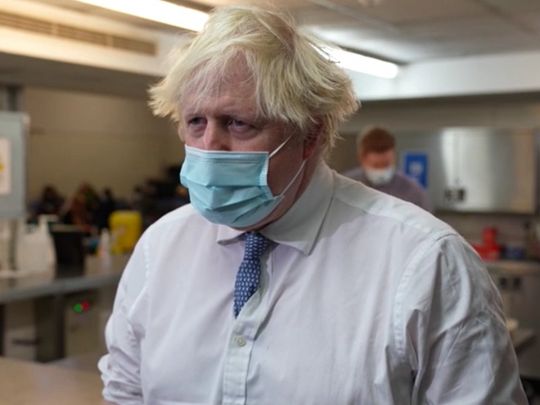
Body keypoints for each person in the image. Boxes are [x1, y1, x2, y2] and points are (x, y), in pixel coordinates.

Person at [98, 5, 526, 404]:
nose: (210, 147)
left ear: (310, 134)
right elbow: (126, 391)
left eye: (238, 123)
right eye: (195, 122)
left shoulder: (426, 264)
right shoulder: (160, 249)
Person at [343, 127, 432, 211]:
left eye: (386, 164)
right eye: (376, 165)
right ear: (361, 159)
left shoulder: (413, 192)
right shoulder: (346, 187)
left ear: (394, 157)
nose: (381, 170)